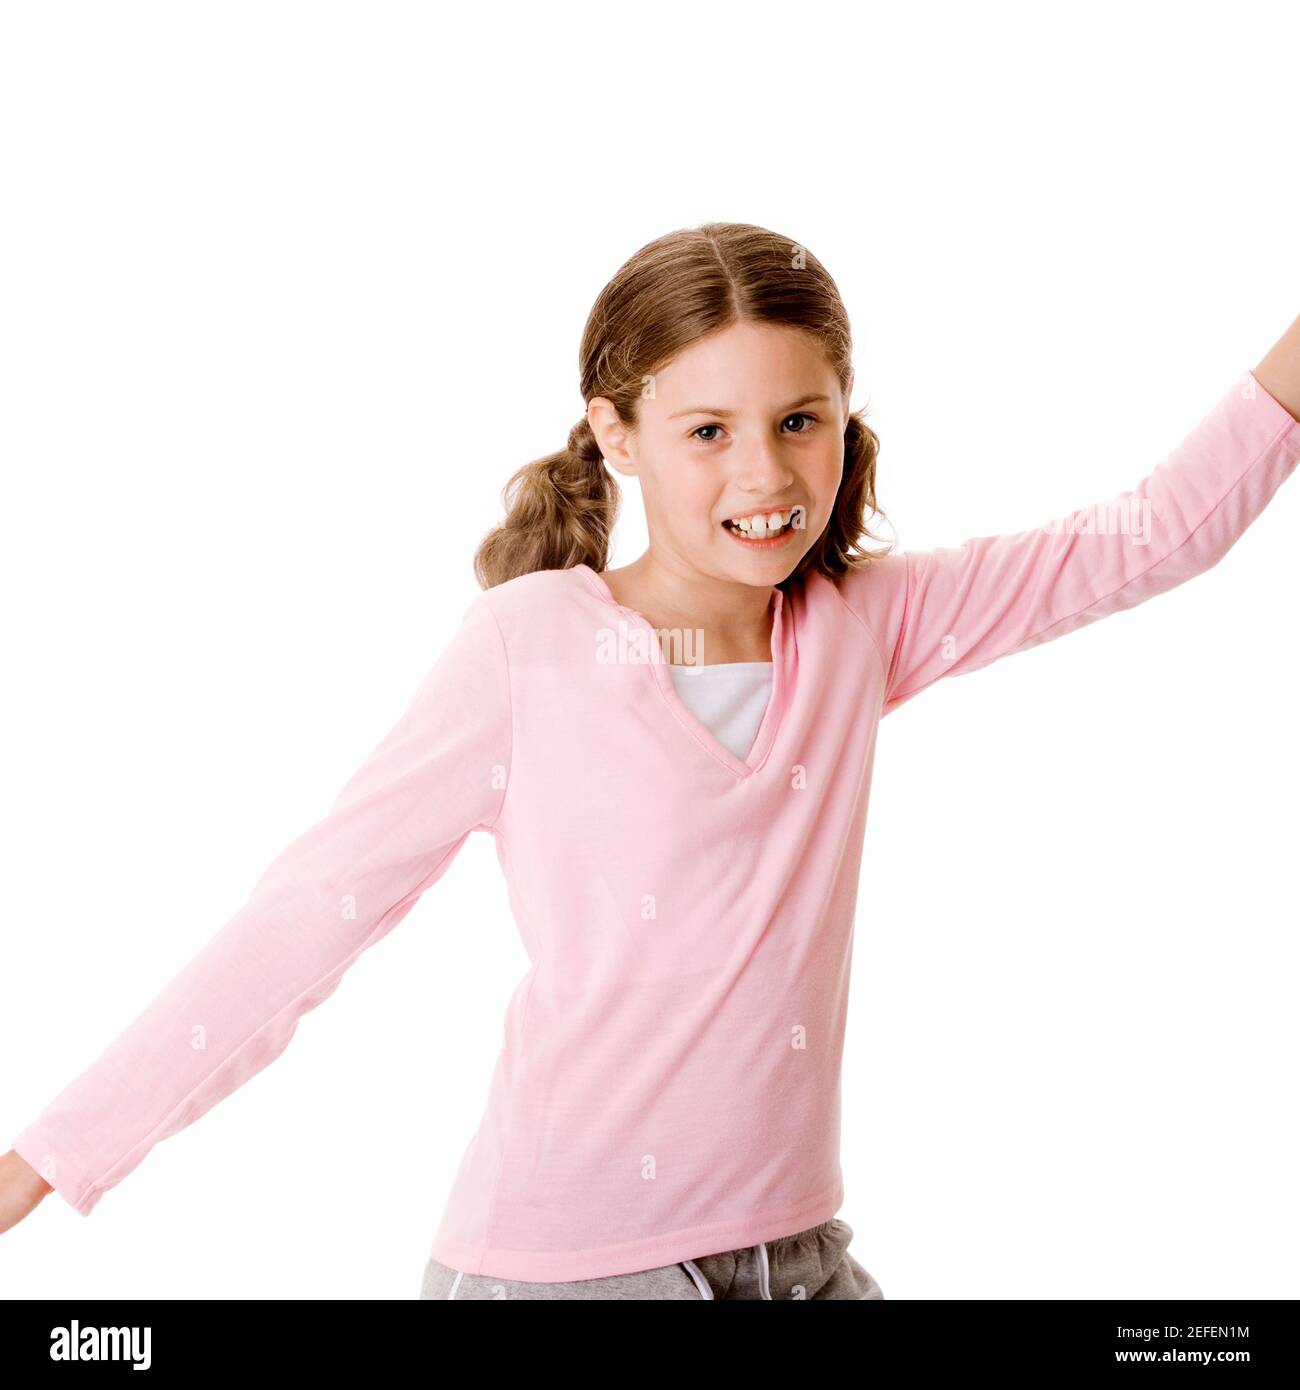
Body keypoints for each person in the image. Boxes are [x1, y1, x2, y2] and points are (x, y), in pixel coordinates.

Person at [4, 222, 1299, 1301]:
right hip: (562, 1272)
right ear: (616, 434)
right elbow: (311, 913)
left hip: (796, 1255)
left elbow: (1156, 533)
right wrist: (53, 1152)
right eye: (706, 431)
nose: (766, 472)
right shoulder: (526, 650)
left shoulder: (865, 624)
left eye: (801, 420)